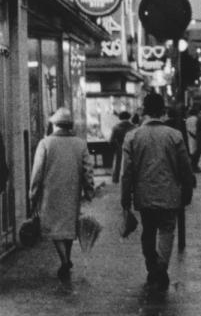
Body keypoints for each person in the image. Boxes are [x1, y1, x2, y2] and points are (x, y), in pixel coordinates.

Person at [121, 92, 197, 291]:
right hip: (169, 195)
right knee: (167, 230)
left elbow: (126, 173)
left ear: (144, 111)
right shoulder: (174, 136)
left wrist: (124, 200)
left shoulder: (133, 136)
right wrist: (188, 188)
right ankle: (161, 267)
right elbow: (185, 168)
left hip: (143, 195)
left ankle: (151, 266)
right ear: (162, 110)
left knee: (148, 230)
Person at [28, 107, 95, 281]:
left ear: (55, 125)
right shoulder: (80, 144)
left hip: (50, 194)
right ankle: (67, 259)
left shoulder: (45, 143)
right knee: (68, 228)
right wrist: (89, 190)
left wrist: (33, 194)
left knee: (54, 228)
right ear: (70, 125)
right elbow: (88, 170)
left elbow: (37, 172)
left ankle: (65, 261)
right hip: (72, 193)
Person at [109, 110, 136, 184]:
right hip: (131, 148)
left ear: (120, 117)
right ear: (129, 117)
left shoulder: (116, 127)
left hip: (119, 148)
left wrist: (116, 146)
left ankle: (116, 179)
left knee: (118, 164)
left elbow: (111, 140)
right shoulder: (134, 127)